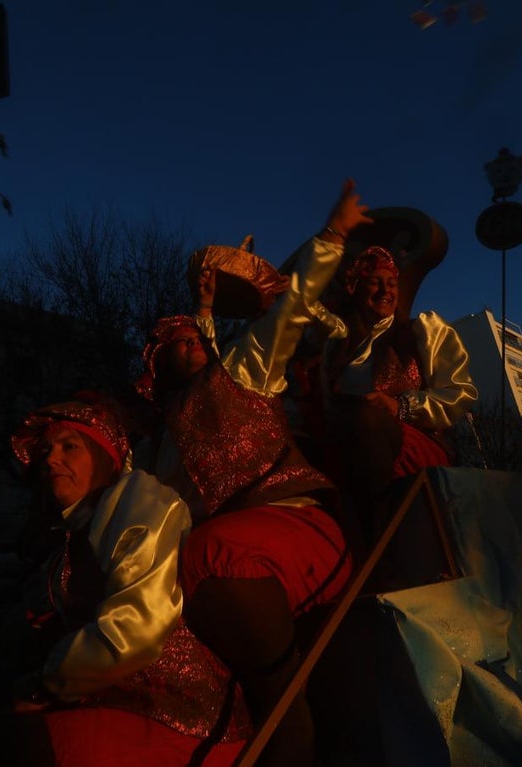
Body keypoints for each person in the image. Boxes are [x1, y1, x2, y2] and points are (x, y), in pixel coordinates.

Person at [134, 180, 371, 766]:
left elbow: (289, 312)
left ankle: (288, 714)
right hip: (223, 557)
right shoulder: (158, 442)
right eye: (178, 342)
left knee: (211, 553)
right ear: (158, 366)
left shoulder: (243, 370)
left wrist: (333, 236)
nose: (191, 342)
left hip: (295, 526)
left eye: (196, 336)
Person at [6, 399, 251, 767]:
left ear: (105, 455)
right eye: (45, 450)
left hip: (180, 711)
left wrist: (47, 681)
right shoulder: (70, 536)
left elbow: (139, 624)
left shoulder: (135, 501)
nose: (51, 459)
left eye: (69, 446)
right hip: (108, 695)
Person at [317, 244, 478, 550]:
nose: (385, 291)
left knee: (366, 421)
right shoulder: (335, 347)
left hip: (414, 446)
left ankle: (379, 548)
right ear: (356, 288)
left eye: (391, 284)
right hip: (344, 451)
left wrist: (400, 406)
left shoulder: (424, 331)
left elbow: (459, 393)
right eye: (375, 282)